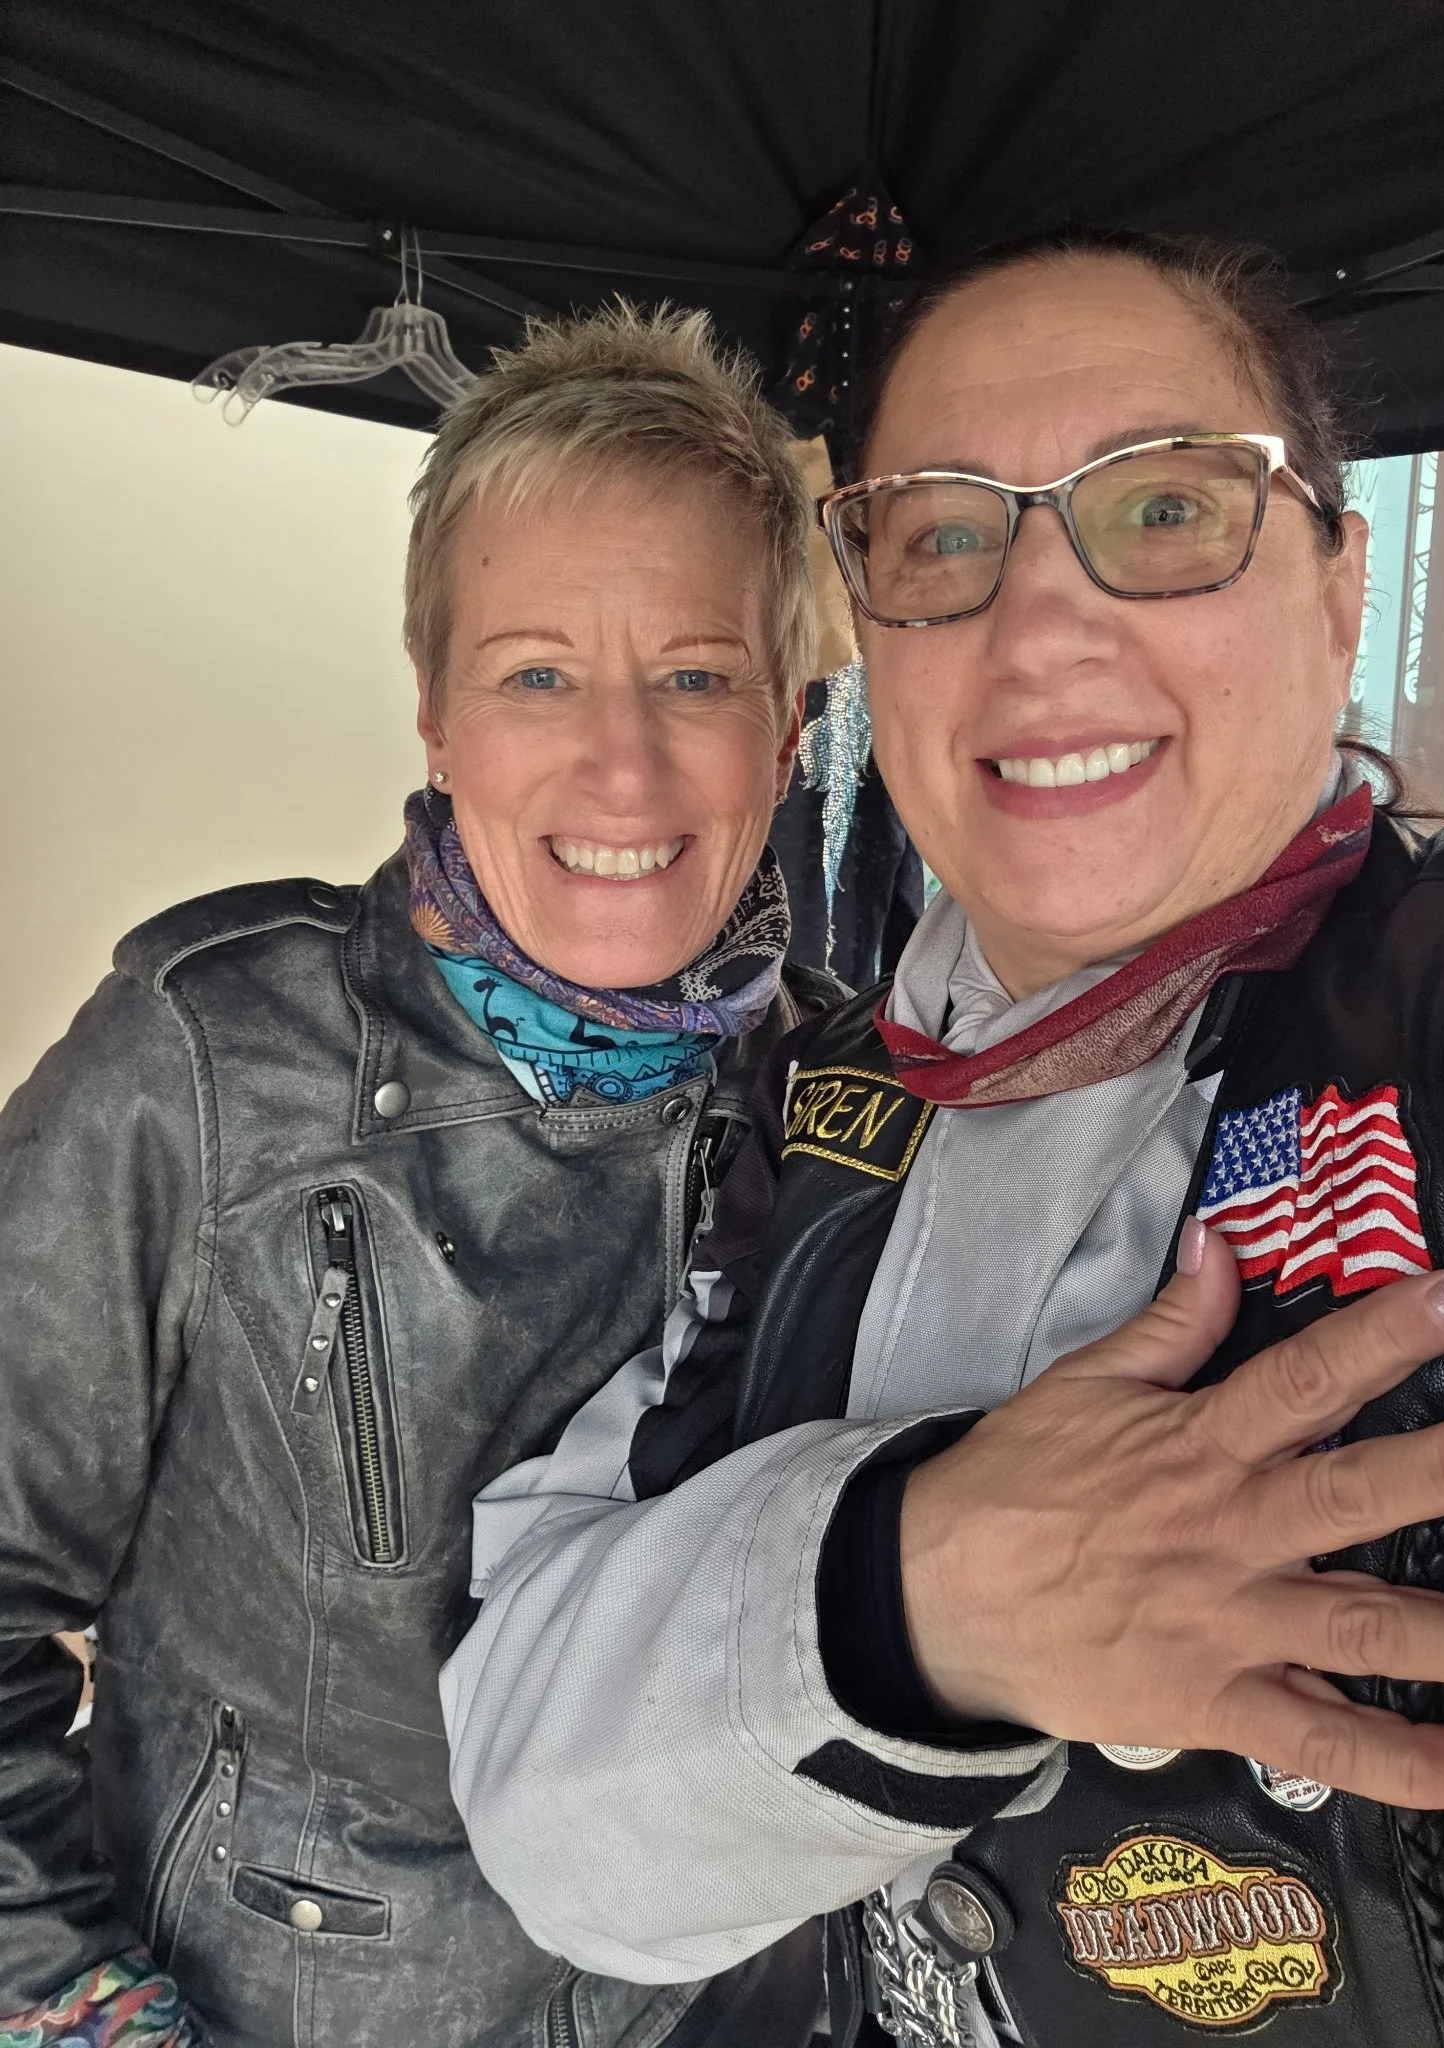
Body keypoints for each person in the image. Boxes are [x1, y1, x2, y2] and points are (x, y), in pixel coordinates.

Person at [443, 233, 1444, 2048]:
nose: (1039, 629)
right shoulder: (810, 1099)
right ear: (873, 635)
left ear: (1340, 592)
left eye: (1170, 509)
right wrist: (927, 1596)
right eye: (946, 537)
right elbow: (540, 1808)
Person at [0, 306, 840, 2048]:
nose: (623, 761)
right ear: (438, 719)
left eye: (697, 676)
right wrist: (84, 2017)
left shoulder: (850, 1103)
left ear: (788, 731)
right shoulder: (213, 1060)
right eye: (537, 675)